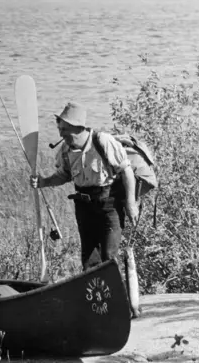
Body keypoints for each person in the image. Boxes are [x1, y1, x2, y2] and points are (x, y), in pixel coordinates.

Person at [30, 102, 138, 271]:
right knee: (89, 261)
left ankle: (115, 295)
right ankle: (94, 296)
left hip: (109, 206)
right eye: (60, 128)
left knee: (109, 257)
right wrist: (44, 182)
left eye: (64, 129)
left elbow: (126, 171)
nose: (60, 133)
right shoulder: (66, 149)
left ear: (77, 127)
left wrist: (130, 204)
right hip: (84, 207)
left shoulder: (103, 141)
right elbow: (63, 176)